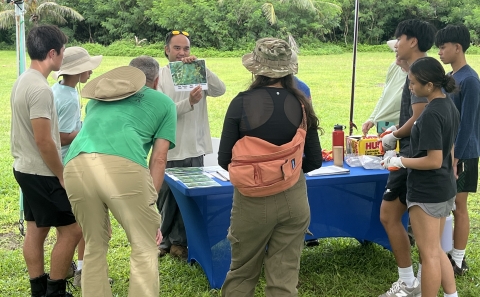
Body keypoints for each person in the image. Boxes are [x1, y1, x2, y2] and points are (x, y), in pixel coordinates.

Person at [63, 59, 177, 297]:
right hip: (123, 166)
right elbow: (158, 159)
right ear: (156, 81)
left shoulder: (97, 100)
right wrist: (151, 207)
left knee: (94, 244)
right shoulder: (165, 103)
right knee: (144, 245)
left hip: (75, 165)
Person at [218, 38, 323, 297]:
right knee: (285, 276)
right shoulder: (301, 104)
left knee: (242, 272)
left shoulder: (241, 103)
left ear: (256, 69)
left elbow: (224, 159)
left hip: (252, 201)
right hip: (293, 198)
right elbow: (314, 161)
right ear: (289, 70)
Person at [10, 25, 82, 297]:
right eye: (63, 52)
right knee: (73, 230)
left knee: (36, 229)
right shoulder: (40, 89)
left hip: (24, 168)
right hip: (41, 172)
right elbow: (44, 140)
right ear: (52, 53)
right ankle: (55, 291)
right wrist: (61, 174)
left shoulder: (23, 80)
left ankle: (38, 289)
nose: (64, 58)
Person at [382, 56, 460, 297]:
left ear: (429, 85)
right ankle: (451, 294)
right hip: (444, 187)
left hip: (428, 191)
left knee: (428, 255)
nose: (410, 87)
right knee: (436, 249)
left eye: (414, 83)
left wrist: (400, 160)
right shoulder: (449, 106)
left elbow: (434, 160)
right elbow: (449, 151)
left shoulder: (429, 115)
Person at [156, 30, 226, 260]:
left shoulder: (196, 71)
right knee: (167, 199)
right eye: (177, 48)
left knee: (190, 198)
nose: (182, 53)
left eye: (185, 48)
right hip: (169, 146)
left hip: (194, 145)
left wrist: (202, 68)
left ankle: (181, 243)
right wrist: (189, 103)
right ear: (167, 50)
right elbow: (161, 113)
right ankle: (162, 241)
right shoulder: (160, 75)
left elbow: (220, 90)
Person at [379, 19, 436, 297]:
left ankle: (411, 283)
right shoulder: (423, 68)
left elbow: (419, 117)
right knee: (403, 219)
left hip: (414, 157)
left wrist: (394, 136)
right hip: (417, 155)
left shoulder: (419, 72)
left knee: (391, 216)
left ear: (412, 41)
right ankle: (415, 282)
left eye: (399, 39)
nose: (396, 44)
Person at [52, 46, 103, 287]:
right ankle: (83, 270)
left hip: (61, 164)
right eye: (88, 67)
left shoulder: (61, 90)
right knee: (82, 222)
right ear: (78, 71)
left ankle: (73, 267)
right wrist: (87, 130)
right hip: (69, 164)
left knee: (67, 224)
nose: (92, 71)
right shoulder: (68, 97)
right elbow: (61, 137)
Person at [436, 24, 480, 276]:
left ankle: (458, 259)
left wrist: (457, 157)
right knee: (448, 204)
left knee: (458, 205)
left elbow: (469, 122)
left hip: (464, 153)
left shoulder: (470, 80)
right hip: (447, 151)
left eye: (443, 47)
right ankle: (449, 253)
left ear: (457, 47)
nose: (440, 52)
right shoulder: (451, 77)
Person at [362, 40, 407, 135]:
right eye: (395, 51)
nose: (396, 54)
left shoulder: (418, 76)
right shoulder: (394, 67)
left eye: (398, 52)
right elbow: (384, 95)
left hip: (399, 133)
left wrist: (395, 131)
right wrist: (372, 118)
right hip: (383, 129)